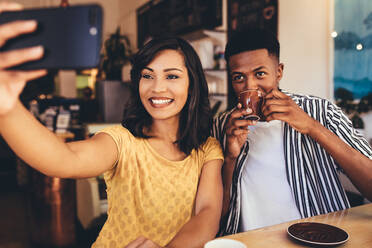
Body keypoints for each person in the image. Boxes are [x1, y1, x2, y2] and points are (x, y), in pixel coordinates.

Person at [0, 3, 224, 247]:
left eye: (172, 76)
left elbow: (207, 212)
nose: (157, 87)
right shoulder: (121, 141)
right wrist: (7, 109)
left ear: (193, 85)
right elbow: (64, 159)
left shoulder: (207, 149)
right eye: (147, 75)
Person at [212, 28, 372, 235]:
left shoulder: (319, 111)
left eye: (260, 73)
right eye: (238, 77)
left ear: (279, 71)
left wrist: (312, 127)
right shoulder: (221, 127)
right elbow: (215, 214)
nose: (250, 86)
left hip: (320, 240)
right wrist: (230, 157)